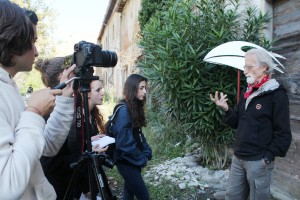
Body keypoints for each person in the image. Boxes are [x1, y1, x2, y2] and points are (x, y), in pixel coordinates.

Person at [0, 1, 75, 199]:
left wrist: (66, 99)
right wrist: (33, 111)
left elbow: (45, 147)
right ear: (13, 42)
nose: (37, 51)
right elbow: (7, 186)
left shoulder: (9, 85)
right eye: (32, 41)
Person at [210, 48, 292, 200]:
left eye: (250, 66)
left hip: (258, 161)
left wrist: (267, 158)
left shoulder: (276, 95)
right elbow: (236, 123)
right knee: (232, 196)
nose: (245, 70)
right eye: (244, 66)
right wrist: (227, 109)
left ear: (264, 67)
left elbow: (284, 134)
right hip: (238, 157)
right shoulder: (247, 92)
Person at [35, 57, 108, 199]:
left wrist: (87, 142)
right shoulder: (49, 113)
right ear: (63, 78)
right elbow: (50, 164)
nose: (80, 84)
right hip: (58, 191)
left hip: (72, 186)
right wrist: (86, 152)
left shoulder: (69, 108)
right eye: (75, 78)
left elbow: (68, 147)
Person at [113, 74, 152, 200]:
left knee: (128, 194)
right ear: (132, 88)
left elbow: (138, 134)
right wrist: (141, 159)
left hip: (131, 159)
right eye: (141, 88)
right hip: (126, 160)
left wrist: (146, 150)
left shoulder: (134, 107)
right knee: (143, 196)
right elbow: (124, 143)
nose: (144, 91)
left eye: (145, 88)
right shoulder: (124, 110)